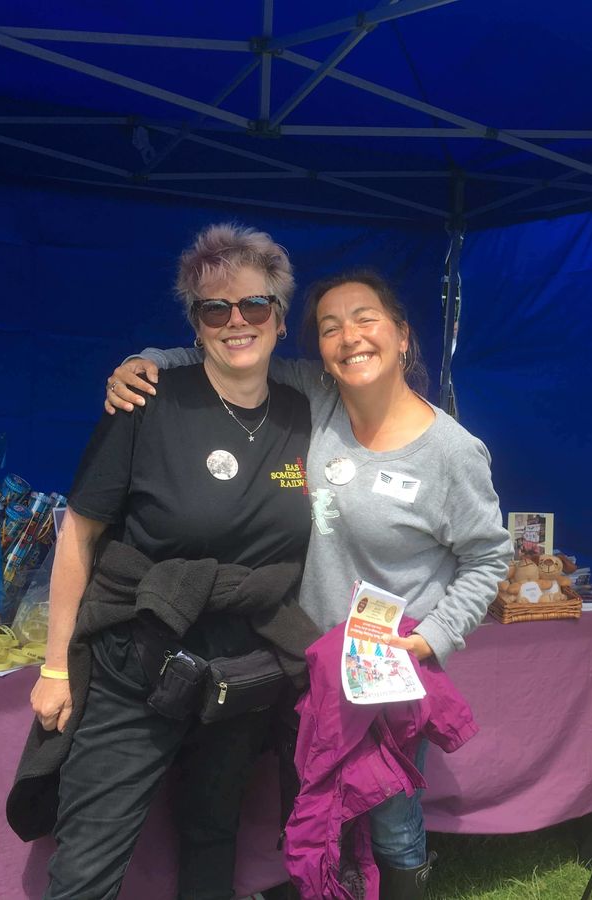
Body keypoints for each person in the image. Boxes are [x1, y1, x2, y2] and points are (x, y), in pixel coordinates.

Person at [104, 268, 512, 898]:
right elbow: (231, 351)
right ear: (319, 349)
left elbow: (488, 558)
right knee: (315, 803)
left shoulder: (451, 451)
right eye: (330, 327)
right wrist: (145, 361)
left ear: (403, 335)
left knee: (391, 815)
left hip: (385, 670)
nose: (350, 337)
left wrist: (432, 638)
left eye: (365, 319)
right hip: (303, 656)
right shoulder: (315, 394)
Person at [8, 223, 319, 900]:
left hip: (243, 671)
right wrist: (56, 665)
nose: (237, 321)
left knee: (212, 835)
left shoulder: (305, 410)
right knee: (88, 859)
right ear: (196, 323)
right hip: (138, 663)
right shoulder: (146, 401)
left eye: (254, 305)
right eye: (216, 308)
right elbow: (78, 536)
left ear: (280, 316)